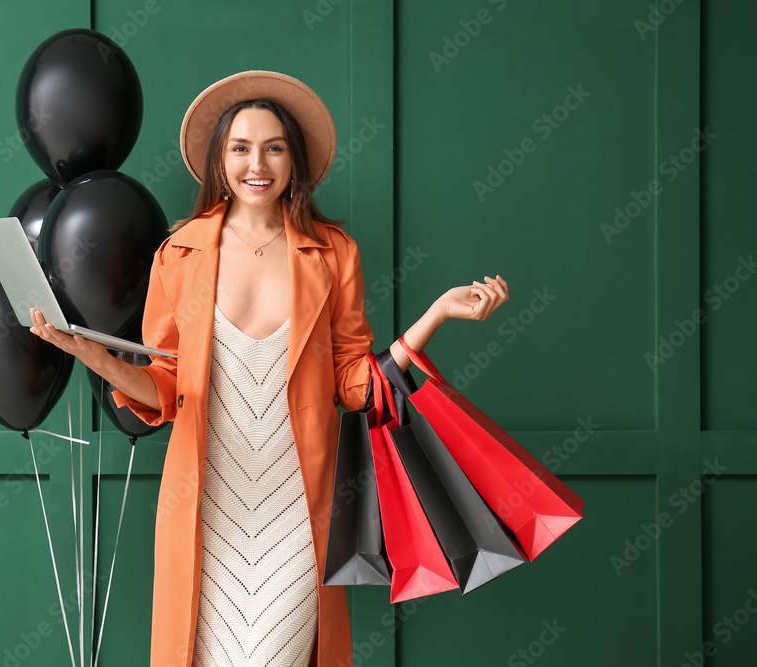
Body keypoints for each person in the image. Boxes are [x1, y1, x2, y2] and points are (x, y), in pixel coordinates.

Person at [28, 70, 510, 667]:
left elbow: (355, 386)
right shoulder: (178, 254)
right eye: (240, 147)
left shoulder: (334, 253)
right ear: (220, 161)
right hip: (206, 510)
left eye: (274, 147)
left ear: (293, 160)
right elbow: (164, 389)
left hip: (298, 513)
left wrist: (434, 315)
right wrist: (87, 354)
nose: (258, 163)